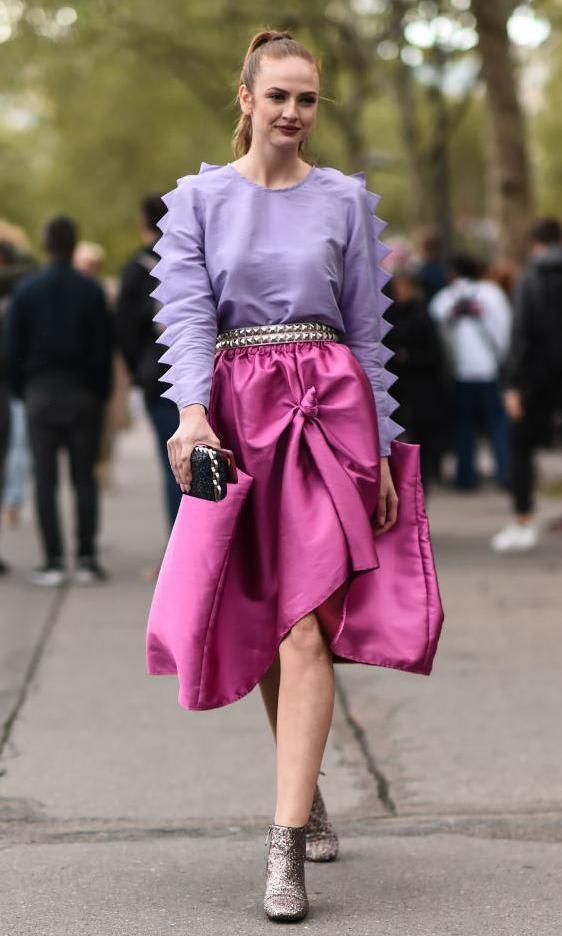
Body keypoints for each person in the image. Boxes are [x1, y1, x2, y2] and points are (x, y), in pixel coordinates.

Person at [145, 31, 443, 923]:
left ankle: (283, 854)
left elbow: (368, 334)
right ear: (245, 97)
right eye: (277, 95)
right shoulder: (196, 201)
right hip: (239, 419)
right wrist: (192, 415)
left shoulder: (347, 200)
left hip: (332, 416)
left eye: (306, 99)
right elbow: (189, 318)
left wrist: (387, 448)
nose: (292, 112)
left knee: (310, 623)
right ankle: (304, 793)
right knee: (272, 614)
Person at [7, 216, 113, 585]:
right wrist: (100, 393)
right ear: (73, 244)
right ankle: (86, 557)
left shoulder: (26, 291)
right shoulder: (91, 291)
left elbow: (11, 349)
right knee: (84, 479)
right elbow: (104, 347)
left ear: (45, 243)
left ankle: (52, 560)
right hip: (83, 393)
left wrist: (24, 390)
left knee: (46, 481)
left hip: (40, 392)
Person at [492, 218, 562, 553]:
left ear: (536, 243)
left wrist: (513, 385)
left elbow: (521, 335)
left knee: (520, 447)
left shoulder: (530, 280)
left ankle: (522, 519)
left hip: (535, 378)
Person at [116, 195, 181, 529]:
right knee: (207, 463)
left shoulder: (136, 267)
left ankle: (179, 553)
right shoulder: (191, 253)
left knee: (174, 467)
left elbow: (125, 326)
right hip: (200, 371)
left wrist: (136, 368)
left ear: (143, 222)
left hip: (157, 374)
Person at [430, 254, 512, 491]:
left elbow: (435, 317)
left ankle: (466, 476)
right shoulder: (492, 293)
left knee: (463, 427)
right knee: (496, 424)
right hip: (489, 370)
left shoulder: (445, 298)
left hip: (460, 372)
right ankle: (505, 473)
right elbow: (505, 329)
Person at [386, 267, 446, 489]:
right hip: (396, 392)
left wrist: (408, 358)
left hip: (420, 391)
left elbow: (434, 355)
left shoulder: (422, 315)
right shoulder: (388, 317)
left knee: (421, 443)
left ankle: (421, 482)